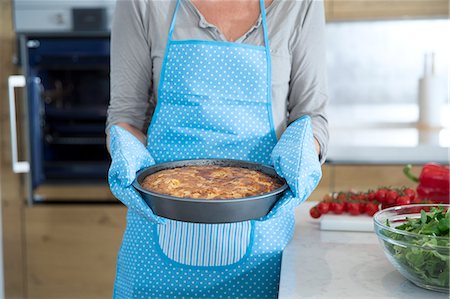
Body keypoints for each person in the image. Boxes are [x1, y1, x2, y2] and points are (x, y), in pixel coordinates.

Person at [107, 0, 328, 298]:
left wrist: (302, 155)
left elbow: (312, 116)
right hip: (156, 231)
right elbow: (125, 116)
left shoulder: (299, 4)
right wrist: (125, 156)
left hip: (262, 244)